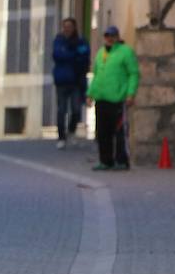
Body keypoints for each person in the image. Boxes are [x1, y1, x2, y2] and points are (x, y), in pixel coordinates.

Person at [86, 25, 139, 170]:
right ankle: (105, 161)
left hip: (117, 99)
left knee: (119, 132)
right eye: (107, 36)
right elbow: (97, 75)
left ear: (117, 37)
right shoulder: (101, 53)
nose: (109, 39)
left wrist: (130, 93)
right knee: (102, 132)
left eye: (112, 36)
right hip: (101, 98)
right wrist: (90, 94)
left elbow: (133, 73)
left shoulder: (125, 52)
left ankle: (122, 160)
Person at [52, 18, 90, 149]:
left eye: (70, 26)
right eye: (65, 26)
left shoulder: (81, 41)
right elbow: (57, 55)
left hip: (76, 81)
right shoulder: (59, 40)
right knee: (61, 110)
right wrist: (74, 55)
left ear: (74, 27)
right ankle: (61, 137)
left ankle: (72, 131)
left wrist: (70, 55)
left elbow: (85, 56)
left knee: (76, 109)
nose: (67, 29)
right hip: (62, 81)